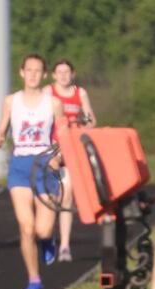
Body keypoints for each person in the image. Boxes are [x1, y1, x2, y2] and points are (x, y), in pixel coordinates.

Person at [0, 53, 64, 289]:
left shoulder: (53, 103)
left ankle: (48, 240)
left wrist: (59, 156)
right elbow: (3, 127)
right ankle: (34, 279)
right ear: (21, 73)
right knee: (26, 227)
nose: (33, 75)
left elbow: (63, 134)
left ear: (43, 75)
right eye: (29, 70)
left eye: (38, 71)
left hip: (45, 165)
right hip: (20, 165)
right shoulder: (11, 101)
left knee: (42, 230)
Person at [50, 58, 96, 262]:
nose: (63, 76)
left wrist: (83, 125)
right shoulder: (48, 93)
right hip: (53, 148)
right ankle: (47, 235)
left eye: (67, 72)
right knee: (52, 196)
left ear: (73, 74)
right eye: (60, 72)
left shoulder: (80, 93)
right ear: (54, 75)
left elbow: (92, 120)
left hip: (72, 148)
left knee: (67, 194)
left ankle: (65, 246)